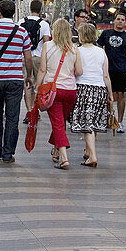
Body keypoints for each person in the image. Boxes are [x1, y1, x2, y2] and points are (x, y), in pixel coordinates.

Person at [0, 0, 33, 163]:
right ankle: (8, 153)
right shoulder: (21, 31)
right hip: (15, 80)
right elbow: (28, 57)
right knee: (12, 117)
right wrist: (28, 76)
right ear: (14, 13)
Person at [36, 18, 81, 170]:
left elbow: (42, 69)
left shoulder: (47, 46)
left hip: (53, 90)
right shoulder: (74, 48)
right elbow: (79, 71)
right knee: (60, 122)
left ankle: (64, 158)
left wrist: (38, 86)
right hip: (70, 91)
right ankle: (56, 150)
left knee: (58, 124)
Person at [71, 23, 113, 167]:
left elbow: (75, 71)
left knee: (86, 123)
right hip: (100, 88)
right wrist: (110, 93)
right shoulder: (101, 52)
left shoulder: (77, 51)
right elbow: (106, 75)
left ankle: (93, 156)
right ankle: (89, 151)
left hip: (83, 88)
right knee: (93, 121)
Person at [97, 12, 126, 131]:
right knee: (107, 94)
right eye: (118, 19)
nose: (120, 21)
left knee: (121, 95)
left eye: (122, 20)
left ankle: (120, 121)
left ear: (125, 23)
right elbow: (99, 49)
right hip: (107, 69)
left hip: (122, 69)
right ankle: (109, 119)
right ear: (114, 21)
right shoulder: (105, 34)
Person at [22, 0, 51, 77]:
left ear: (30, 8)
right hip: (38, 56)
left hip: (23, 56)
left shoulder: (21, 22)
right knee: (38, 83)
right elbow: (46, 42)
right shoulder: (44, 24)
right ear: (41, 9)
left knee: (26, 83)